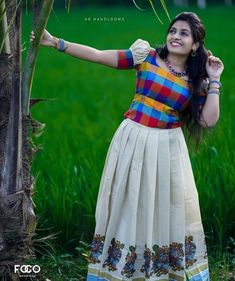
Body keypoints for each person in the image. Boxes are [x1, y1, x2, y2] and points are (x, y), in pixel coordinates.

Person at [31, 11, 224, 281]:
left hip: (168, 148)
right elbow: (99, 55)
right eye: (173, 31)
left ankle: (162, 270)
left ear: (195, 45)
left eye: (184, 33)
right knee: (128, 202)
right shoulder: (146, 57)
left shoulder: (196, 81)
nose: (175, 36)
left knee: (166, 206)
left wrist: (214, 78)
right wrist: (57, 43)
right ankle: (121, 270)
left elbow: (207, 121)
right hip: (133, 140)